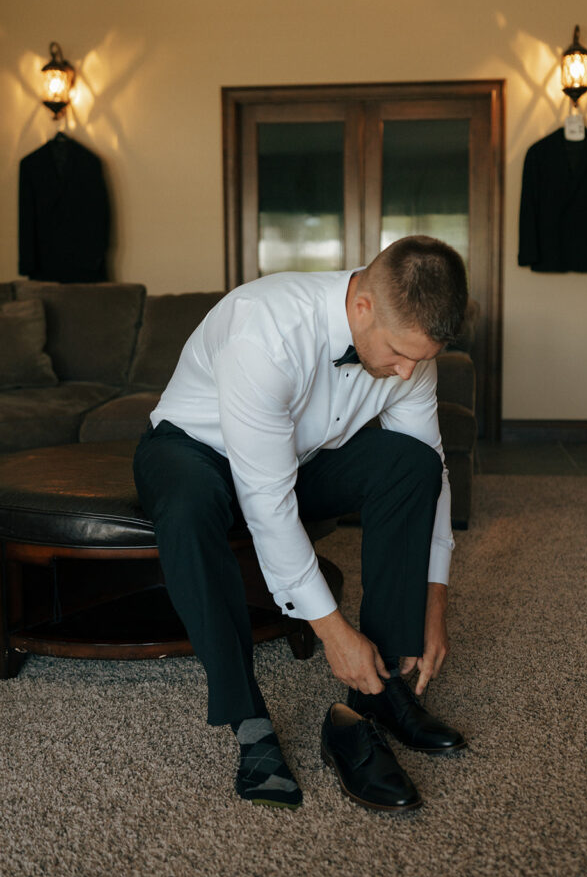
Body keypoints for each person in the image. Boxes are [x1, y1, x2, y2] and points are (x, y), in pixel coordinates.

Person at [133, 235, 469, 813]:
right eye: (398, 353)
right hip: (195, 451)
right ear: (362, 306)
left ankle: (374, 697)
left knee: (412, 466)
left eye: (423, 357)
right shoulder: (263, 329)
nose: (409, 370)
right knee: (189, 512)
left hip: (297, 455)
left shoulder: (407, 351)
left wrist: (433, 603)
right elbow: (268, 504)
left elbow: (429, 470)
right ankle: (249, 722)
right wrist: (333, 632)